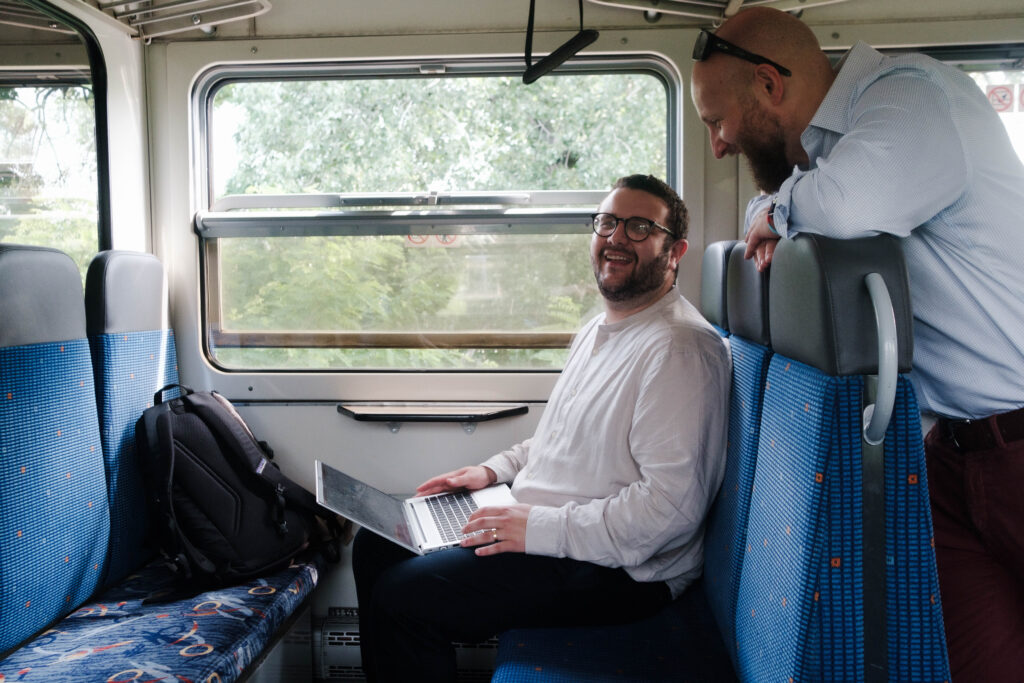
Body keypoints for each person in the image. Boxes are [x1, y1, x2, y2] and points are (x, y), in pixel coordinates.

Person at [690, 8, 1024, 680]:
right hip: (953, 456)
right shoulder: (837, 152)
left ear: (768, 85)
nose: (719, 145)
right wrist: (771, 208)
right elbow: (790, 202)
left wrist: (775, 209)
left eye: (716, 120)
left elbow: (840, 206)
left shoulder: (910, 96)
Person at [352, 174, 731, 682]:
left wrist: (533, 528)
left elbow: (670, 511)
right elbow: (561, 438)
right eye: (607, 223)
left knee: (403, 601)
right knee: (374, 543)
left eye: (640, 228)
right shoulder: (599, 328)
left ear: (675, 250)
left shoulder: (679, 349)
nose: (617, 238)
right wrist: (491, 473)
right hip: (549, 526)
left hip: (620, 570)